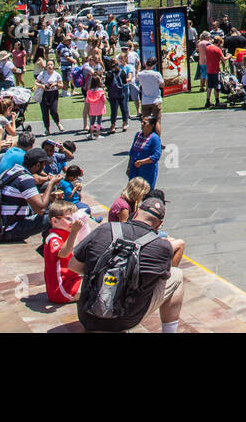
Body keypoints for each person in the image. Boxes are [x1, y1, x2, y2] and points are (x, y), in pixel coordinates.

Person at [70, 196, 185, 333]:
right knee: (177, 275)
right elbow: (162, 278)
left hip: (87, 316)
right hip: (125, 321)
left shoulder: (105, 229)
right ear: (159, 224)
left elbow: (73, 266)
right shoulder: (162, 247)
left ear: (135, 213)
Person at [0, 148, 59, 242]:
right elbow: (40, 209)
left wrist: (47, 196)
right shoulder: (26, 179)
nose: (44, 168)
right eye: (43, 165)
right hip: (11, 229)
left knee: (50, 207)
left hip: (3, 222)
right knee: (55, 218)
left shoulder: (14, 170)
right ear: (38, 165)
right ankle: (47, 249)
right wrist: (51, 183)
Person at [43, 200, 85, 305]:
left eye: (74, 218)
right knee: (99, 286)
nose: (72, 222)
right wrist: (74, 232)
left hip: (71, 281)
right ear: (55, 221)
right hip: (62, 290)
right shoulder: (53, 239)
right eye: (68, 219)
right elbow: (63, 253)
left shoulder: (65, 235)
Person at [128, 115, 162, 190]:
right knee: (133, 192)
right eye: (141, 122)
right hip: (135, 170)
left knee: (145, 192)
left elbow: (156, 156)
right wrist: (129, 167)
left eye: (144, 123)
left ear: (151, 125)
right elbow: (132, 152)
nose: (142, 124)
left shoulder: (154, 138)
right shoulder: (138, 135)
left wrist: (141, 162)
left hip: (147, 171)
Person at [35, 60, 63, 134]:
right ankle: (47, 128)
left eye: (51, 65)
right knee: (45, 112)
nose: (49, 66)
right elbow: (36, 82)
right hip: (44, 93)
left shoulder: (56, 74)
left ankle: (58, 123)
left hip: (53, 93)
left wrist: (55, 84)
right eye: (48, 65)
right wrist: (43, 86)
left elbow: (61, 85)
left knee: (54, 110)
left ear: (53, 66)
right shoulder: (42, 74)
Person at [202, 34, 226, 108]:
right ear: (218, 43)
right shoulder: (217, 49)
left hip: (209, 70)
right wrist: (229, 56)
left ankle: (208, 101)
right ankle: (217, 101)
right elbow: (223, 59)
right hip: (215, 70)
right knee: (216, 86)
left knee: (209, 87)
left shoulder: (207, 48)